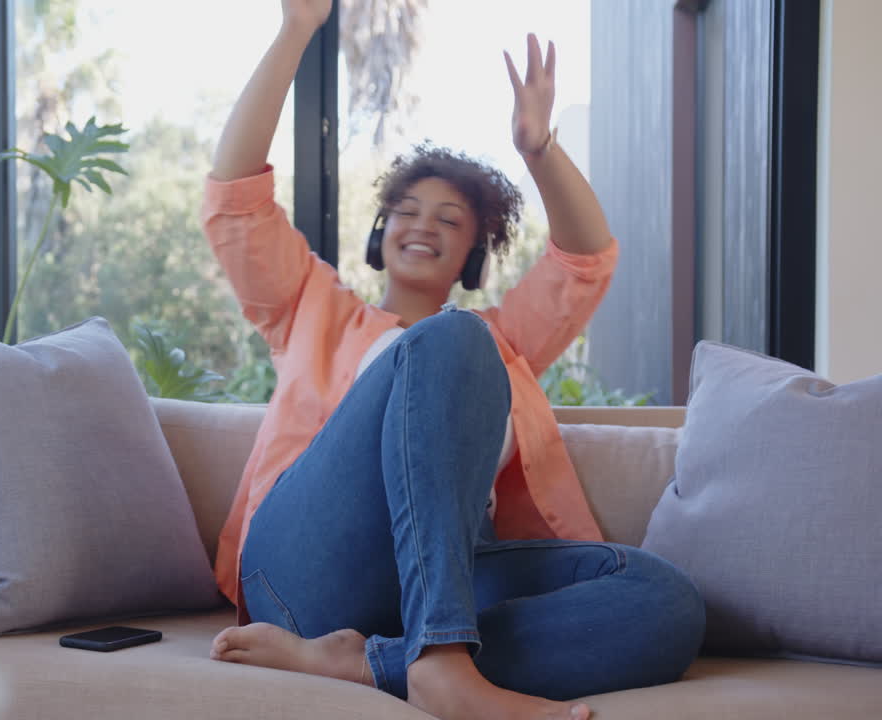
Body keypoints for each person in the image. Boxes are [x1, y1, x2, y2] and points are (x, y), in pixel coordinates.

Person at [200, 2, 706, 720]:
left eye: (450, 219)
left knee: (667, 602)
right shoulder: (312, 309)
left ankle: (378, 661)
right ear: (383, 229)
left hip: (453, 574)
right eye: (408, 210)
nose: (423, 226)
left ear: (472, 251)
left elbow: (586, 261)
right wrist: (294, 32)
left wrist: (540, 148)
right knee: (449, 337)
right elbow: (235, 198)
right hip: (311, 567)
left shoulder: (504, 339)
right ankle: (437, 663)